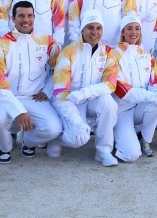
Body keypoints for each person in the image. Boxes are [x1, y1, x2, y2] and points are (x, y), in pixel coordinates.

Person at [0, 1, 63, 164]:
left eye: (29, 16)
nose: (25, 20)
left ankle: (28, 142)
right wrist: (18, 111)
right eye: (21, 16)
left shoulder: (47, 42)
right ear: (13, 19)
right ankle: (4, 147)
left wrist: (48, 90)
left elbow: (60, 70)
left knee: (53, 128)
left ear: (34, 18)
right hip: (6, 97)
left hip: (34, 97)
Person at [51, 10, 120, 166]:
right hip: (69, 101)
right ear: (82, 29)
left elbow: (110, 84)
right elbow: (60, 93)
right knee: (79, 138)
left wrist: (85, 93)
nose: (94, 32)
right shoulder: (68, 52)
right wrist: (77, 122)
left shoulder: (108, 53)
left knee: (108, 103)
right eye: (90, 27)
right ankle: (57, 140)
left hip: (89, 99)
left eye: (98, 28)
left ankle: (103, 152)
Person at [112, 14, 157, 162]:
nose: (133, 32)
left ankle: (145, 139)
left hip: (140, 107)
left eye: (137, 28)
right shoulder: (114, 55)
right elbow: (122, 89)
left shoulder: (147, 55)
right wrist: (152, 96)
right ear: (123, 32)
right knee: (131, 155)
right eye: (129, 28)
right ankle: (114, 136)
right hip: (122, 110)